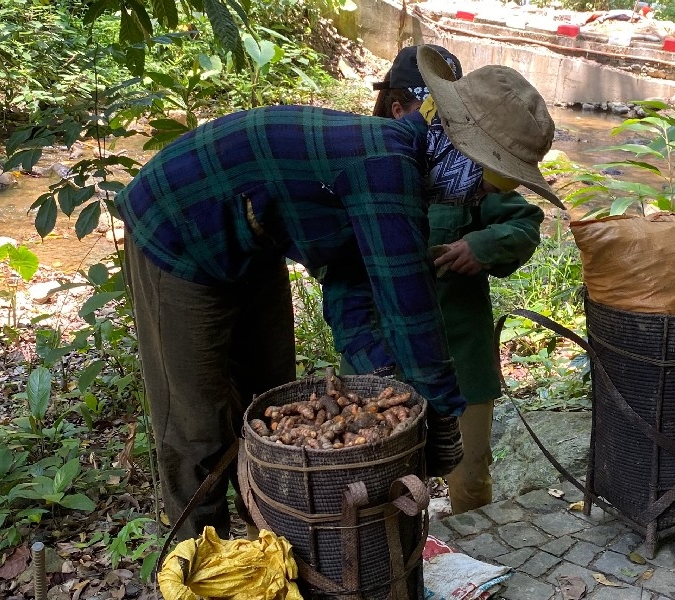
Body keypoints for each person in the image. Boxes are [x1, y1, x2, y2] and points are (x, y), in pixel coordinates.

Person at [117, 45, 564, 541]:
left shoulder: (401, 170)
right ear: (458, 145)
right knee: (196, 423)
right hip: (175, 232)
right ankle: (195, 556)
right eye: (497, 177)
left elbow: (349, 287)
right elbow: (410, 312)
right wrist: (438, 433)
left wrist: (380, 385)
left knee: (267, 403)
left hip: (254, 241)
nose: (489, 195)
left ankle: (272, 535)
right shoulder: (384, 167)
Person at [363, 45, 558, 514]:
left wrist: (482, 246)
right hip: (382, 360)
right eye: (434, 110)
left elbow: (524, 223)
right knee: (376, 484)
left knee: (469, 478)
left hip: (460, 359)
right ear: (400, 108)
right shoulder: (370, 168)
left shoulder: (472, 171)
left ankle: (477, 567)